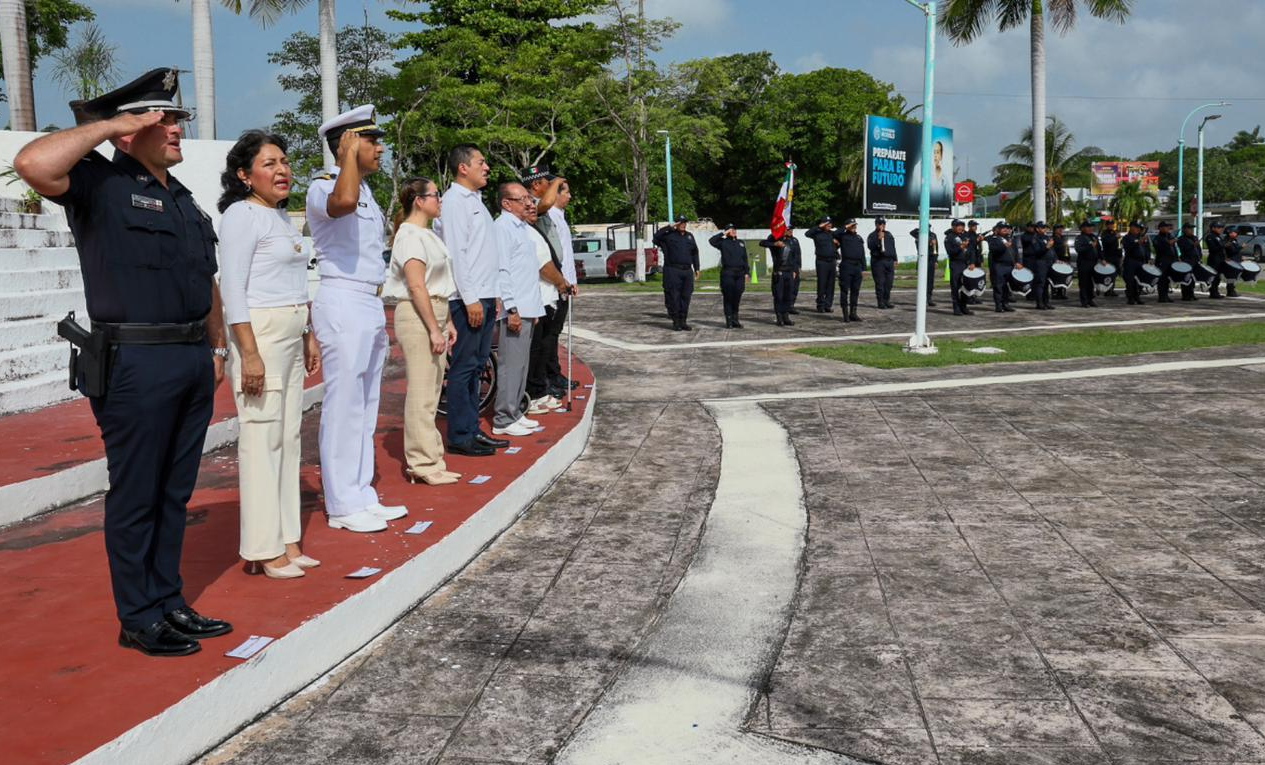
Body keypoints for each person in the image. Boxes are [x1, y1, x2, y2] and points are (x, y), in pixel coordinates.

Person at [15, 68, 232, 655]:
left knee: (173, 492)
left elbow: (204, 280)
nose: (177, 129)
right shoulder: (99, 184)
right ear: (131, 129)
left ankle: (168, 601)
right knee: (137, 492)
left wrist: (215, 346)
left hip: (189, 358)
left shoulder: (183, 199)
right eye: (163, 120)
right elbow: (33, 164)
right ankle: (138, 616)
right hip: (136, 360)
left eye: (178, 119)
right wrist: (113, 124)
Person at [217, 130, 321, 578]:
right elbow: (232, 289)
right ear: (244, 175)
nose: (282, 171)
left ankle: (288, 537)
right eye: (270, 164)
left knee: (289, 437)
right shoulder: (243, 216)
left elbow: (296, 281)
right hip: (260, 334)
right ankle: (262, 547)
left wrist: (309, 332)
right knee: (262, 438)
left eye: (285, 161)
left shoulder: (280, 218)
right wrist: (249, 354)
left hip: (291, 331)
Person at [306, 105, 407, 533]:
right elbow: (340, 204)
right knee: (344, 404)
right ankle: (342, 503)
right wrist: (345, 158)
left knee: (365, 406)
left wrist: (353, 162)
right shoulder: (324, 185)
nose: (380, 148)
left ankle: (362, 492)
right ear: (347, 144)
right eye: (371, 140)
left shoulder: (365, 190)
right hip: (342, 299)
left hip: (368, 301)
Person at [385, 178, 462, 486]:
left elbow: (437, 283)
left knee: (431, 391)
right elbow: (417, 286)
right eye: (435, 195)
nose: (439, 200)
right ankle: (421, 462)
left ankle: (432, 458)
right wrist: (434, 328)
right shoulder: (410, 236)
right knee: (421, 392)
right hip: (419, 314)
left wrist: (447, 323)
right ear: (418, 200)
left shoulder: (428, 234)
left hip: (436, 309)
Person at [436, 144, 506, 457]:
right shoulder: (454, 201)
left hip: (485, 294)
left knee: (478, 366)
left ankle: (472, 429)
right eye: (481, 162)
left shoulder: (476, 200)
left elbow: (485, 255)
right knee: (464, 367)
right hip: (469, 299)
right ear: (463, 167)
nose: (487, 167)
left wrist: (495, 295)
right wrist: (471, 299)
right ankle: (460, 434)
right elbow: (457, 255)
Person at [492, 183, 546, 436]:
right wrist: (512, 308)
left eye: (528, 198)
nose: (528, 203)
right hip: (515, 308)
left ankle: (514, 412)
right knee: (510, 365)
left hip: (527, 307)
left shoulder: (522, 228)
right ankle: (503, 418)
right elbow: (502, 270)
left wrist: (532, 309)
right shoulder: (502, 228)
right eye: (522, 198)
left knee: (521, 364)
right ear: (506, 203)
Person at [522, 190, 574, 411]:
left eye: (534, 205)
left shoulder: (535, 229)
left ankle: (539, 390)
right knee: (536, 350)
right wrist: (562, 283)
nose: (533, 208)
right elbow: (544, 266)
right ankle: (533, 394)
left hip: (545, 297)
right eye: (527, 204)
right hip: (537, 297)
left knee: (544, 347)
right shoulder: (524, 231)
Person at [533, 167, 580, 398]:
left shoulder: (560, 217)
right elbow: (543, 203)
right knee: (547, 337)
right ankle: (546, 378)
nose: (569, 196)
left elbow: (566, 254)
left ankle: (554, 373)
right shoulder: (545, 213)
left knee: (554, 334)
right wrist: (556, 180)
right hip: (551, 285)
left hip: (565, 282)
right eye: (565, 191)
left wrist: (572, 280)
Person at [654, 215, 700, 331]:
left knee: (686, 296)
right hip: (673, 270)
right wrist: (669, 227)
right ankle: (676, 321)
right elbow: (656, 238)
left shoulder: (689, 236)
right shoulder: (668, 236)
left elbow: (695, 253)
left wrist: (697, 268)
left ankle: (683, 321)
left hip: (687, 271)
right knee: (674, 296)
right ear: (676, 224)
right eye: (680, 223)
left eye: (685, 223)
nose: (683, 225)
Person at [709, 224, 750, 328]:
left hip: (740, 273)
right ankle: (729, 320)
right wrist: (723, 233)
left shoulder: (741, 243)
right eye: (731, 229)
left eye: (734, 229)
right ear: (727, 231)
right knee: (728, 297)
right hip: (728, 273)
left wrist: (747, 272)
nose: (733, 231)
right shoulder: (723, 242)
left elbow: (745, 258)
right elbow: (711, 241)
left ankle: (735, 319)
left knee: (737, 296)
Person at [759, 229, 799, 325]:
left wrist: (795, 270)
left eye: (791, 229)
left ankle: (786, 317)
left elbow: (794, 257)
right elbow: (762, 243)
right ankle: (779, 317)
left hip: (789, 272)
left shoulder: (791, 241)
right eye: (788, 229)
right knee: (779, 295)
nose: (790, 231)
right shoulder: (775, 238)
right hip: (779, 271)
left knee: (788, 295)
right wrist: (774, 244)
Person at [833, 219, 867, 322]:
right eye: (852, 225)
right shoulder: (843, 236)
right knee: (844, 290)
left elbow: (862, 253)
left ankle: (853, 313)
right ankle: (845, 314)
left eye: (855, 225)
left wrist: (864, 268)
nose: (854, 227)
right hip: (846, 265)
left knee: (855, 290)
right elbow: (834, 234)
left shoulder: (858, 237)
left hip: (857, 266)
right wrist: (845, 227)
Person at [804, 217, 838, 312]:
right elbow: (807, 234)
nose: (830, 225)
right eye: (827, 223)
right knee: (822, 284)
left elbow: (840, 239)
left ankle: (828, 305)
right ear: (823, 224)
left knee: (831, 285)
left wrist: (837, 243)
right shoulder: (817, 233)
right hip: (822, 262)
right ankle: (820, 305)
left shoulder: (832, 234)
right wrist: (819, 226)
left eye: (830, 223)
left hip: (832, 261)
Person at [987, 222, 1019, 312]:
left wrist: (1017, 262)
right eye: (1003, 228)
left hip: (1010, 266)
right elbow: (994, 250)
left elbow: (1015, 252)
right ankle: (998, 305)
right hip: (999, 265)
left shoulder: (1010, 239)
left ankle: (1005, 304)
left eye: (1007, 228)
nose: (1006, 229)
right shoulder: (994, 239)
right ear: (998, 229)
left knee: (1006, 287)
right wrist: (1003, 246)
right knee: (998, 286)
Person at [944, 219, 972, 316]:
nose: (960, 227)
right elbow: (950, 252)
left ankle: (964, 307)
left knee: (966, 286)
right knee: (956, 287)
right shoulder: (949, 237)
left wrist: (972, 262)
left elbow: (971, 250)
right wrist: (960, 247)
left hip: (966, 264)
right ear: (953, 227)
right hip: (956, 264)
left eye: (962, 226)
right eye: (958, 226)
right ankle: (956, 308)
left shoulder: (965, 236)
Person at [867, 218, 897, 309]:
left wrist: (895, 259)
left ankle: (886, 300)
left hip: (889, 261)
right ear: (876, 225)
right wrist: (878, 240)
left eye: (883, 224)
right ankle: (880, 302)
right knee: (880, 283)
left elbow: (893, 247)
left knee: (889, 283)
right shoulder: (872, 235)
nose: (882, 225)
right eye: (880, 224)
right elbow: (871, 247)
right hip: (878, 261)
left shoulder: (888, 234)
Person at [1025, 221, 1054, 310]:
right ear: (1037, 229)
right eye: (1043, 227)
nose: (1045, 229)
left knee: (1047, 283)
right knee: (1040, 283)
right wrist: (1047, 247)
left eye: (1045, 227)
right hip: (1040, 263)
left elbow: (1052, 251)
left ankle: (1046, 302)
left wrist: (1056, 259)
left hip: (1049, 262)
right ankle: (1040, 303)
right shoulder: (1035, 238)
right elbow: (1037, 252)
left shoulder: (1046, 237)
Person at [1073, 220, 1101, 308]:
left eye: (1091, 227)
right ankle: (1084, 301)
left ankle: (1090, 299)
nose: (1090, 229)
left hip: (1093, 262)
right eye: (1088, 227)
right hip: (1084, 262)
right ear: (1083, 228)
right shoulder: (1080, 238)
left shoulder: (1093, 237)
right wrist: (1089, 246)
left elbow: (1099, 249)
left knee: (1091, 282)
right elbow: (1079, 249)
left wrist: (1102, 259)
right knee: (1084, 282)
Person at [1121, 220, 1149, 305]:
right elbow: (1127, 248)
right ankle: (1131, 298)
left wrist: (1148, 258)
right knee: (1130, 281)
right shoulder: (1127, 238)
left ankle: (1138, 296)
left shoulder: (1141, 237)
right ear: (1132, 227)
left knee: (1140, 280)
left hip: (1141, 261)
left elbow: (1146, 249)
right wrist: (1137, 243)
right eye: (1136, 227)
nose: (1138, 229)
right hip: (1131, 261)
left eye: (1139, 228)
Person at [910, 227, 939, 307]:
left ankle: (929, 298)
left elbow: (936, 248)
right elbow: (912, 233)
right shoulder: (919, 235)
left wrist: (936, 260)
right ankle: (921, 299)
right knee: (922, 281)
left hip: (931, 259)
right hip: (922, 259)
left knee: (930, 281)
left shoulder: (933, 235)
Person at [1153, 220, 1177, 303]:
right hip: (1162, 260)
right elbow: (1160, 248)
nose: (1167, 228)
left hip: (1170, 260)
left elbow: (1174, 249)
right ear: (1160, 228)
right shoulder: (1158, 238)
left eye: (1168, 227)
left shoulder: (1169, 236)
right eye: (1165, 227)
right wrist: (1169, 243)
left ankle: (1166, 295)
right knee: (1162, 280)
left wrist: (1176, 258)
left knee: (1167, 280)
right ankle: (1162, 297)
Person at [1177, 222, 1201, 302]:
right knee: (1186, 278)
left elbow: (1198, 249)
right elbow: (1183, 248)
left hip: (1195, 260)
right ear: (1184, 230)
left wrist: (1199, 257)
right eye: (1189, 228)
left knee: (1193, 279)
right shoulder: (1181, 239)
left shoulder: (1194, 238)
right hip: (1186, 260)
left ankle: (1191, 293)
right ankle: (1185, 295)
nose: (1191, 230)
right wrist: (1192, 245)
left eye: (1192, 229)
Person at [1100, 219, 1122, 297]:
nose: (1111, 226)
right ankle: (1107, 290)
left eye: (1112, 224)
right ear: (1107, 225)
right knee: (1109, 274)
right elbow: (1107, 242)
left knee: (1115, 274)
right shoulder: (1104, 233)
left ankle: (1112, 289)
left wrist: (1120, 254)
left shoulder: (1115, 232)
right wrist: (1115, 237)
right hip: (1108, 256)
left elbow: (1119, 244)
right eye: (1109, 224)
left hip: (1116, 256)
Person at [1205, 221, 1227, 299]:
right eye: (1219, 227)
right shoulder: (1210, 236)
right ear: (1213, 228)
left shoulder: (1218, 236)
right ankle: (1213, 292)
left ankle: (1215, 291)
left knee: (1218, 277)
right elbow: (1213, 249)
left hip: (1220, 258)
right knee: (1214, 276)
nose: (1221, 229)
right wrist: (1223, 246)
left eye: (1221, 228)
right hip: (1214, 259)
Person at [965, 220, 984, 304]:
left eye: (976, 225)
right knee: (970, 279)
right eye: (973, 225)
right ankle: (969, 297)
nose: (975, 227)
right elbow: (970, 247)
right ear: (969, 226)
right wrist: (976, 240)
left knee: (977, 278)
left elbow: (979, 249)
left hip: (977, 259)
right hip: (970, 259)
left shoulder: (976, 235)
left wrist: (981, 259)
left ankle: (975, 296)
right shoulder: (967, 235)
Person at [1225, 227, 1244, 297]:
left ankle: (1232, 289)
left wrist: (1241, 257)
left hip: (1236, 260)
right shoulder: (1228, 240)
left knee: (1234, 277)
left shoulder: (1234, 240)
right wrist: (1241, 247)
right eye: (1235, 232)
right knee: (1231, 277)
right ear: (1230, 233)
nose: (1236, 234)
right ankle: (1230, 291)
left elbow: (1236, 251)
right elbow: (1232, 251)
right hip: (1231, 261)